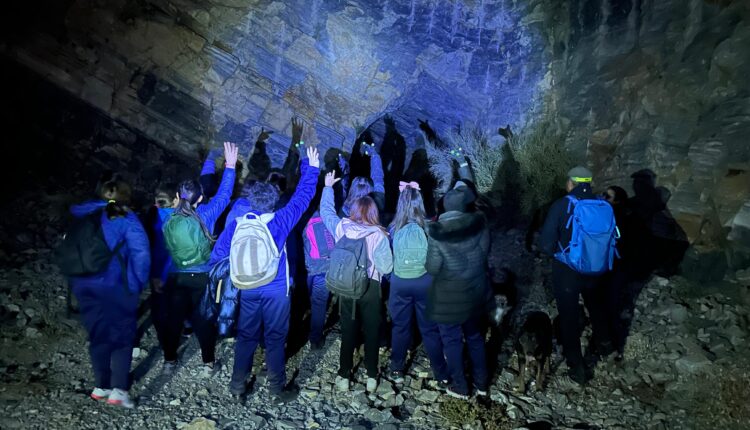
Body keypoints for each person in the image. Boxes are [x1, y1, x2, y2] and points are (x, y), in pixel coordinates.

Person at [211, 146, 320, 403]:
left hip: (247, 286)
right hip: (276, 290)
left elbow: (217, 255)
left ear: (251, 200)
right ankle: (276, 388)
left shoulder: (237, 224)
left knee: (246, 336)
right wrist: (312, 169)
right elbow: (303, 197)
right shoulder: (280, 221)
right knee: (275, 337)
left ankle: (237, 386)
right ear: (274, 201)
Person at [67, 179, 150, 408]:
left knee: (98, 335)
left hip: (85, 286)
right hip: (117, 286)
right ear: (126, 197)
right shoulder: (126, 218)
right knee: (122, 337)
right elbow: (141, 254)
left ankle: (101, 386)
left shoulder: (83, 214)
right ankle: (119, 391)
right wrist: (137, 283)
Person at [159, 142, 238, 375]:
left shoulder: (168, 216)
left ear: (177, 197)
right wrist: (230, 167)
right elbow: (224, 195)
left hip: (177, 276)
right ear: (201, 198)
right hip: (203, 275)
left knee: (173, 320)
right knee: (203, 320)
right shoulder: (206, 213)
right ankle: (208, 364)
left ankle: (169, 361)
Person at [320, 171, 393, 393]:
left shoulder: (342, 227)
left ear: (353, 210)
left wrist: (327, 187)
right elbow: (386, 268)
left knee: (348, 331)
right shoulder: (379, 235)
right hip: (370, 287)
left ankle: (344, 376)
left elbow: (326, 212)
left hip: (346, 285)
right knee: (371, 331)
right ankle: (371, 376)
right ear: (374, 212)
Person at [537, 166, 611, 384]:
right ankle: (606, 346)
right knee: (596, 306)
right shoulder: (602, 204)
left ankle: (576, 367)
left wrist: (556, 253)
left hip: (567, 270)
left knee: (568, 316)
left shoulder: (562, 205)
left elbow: (546, 244)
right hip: (596, 267)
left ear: (571, 183)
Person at [425, 186, 490, 399]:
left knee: (452, 340)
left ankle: (460, 386)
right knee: (475, 338)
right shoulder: (480, 225)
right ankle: (482, 383)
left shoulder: (437, 232)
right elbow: (484, 255)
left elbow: (432, 267)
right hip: (475, 291)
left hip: (448, 297)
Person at [386, 181, 448, 386]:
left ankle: (397, 369)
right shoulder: (429, 227)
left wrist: (392, 278)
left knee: (400, 327)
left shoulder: (393, 229)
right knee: (430, 329)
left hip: (400, 282)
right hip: (425, 282)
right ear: (420, 203)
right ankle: (441, 374)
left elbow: (387, 259)